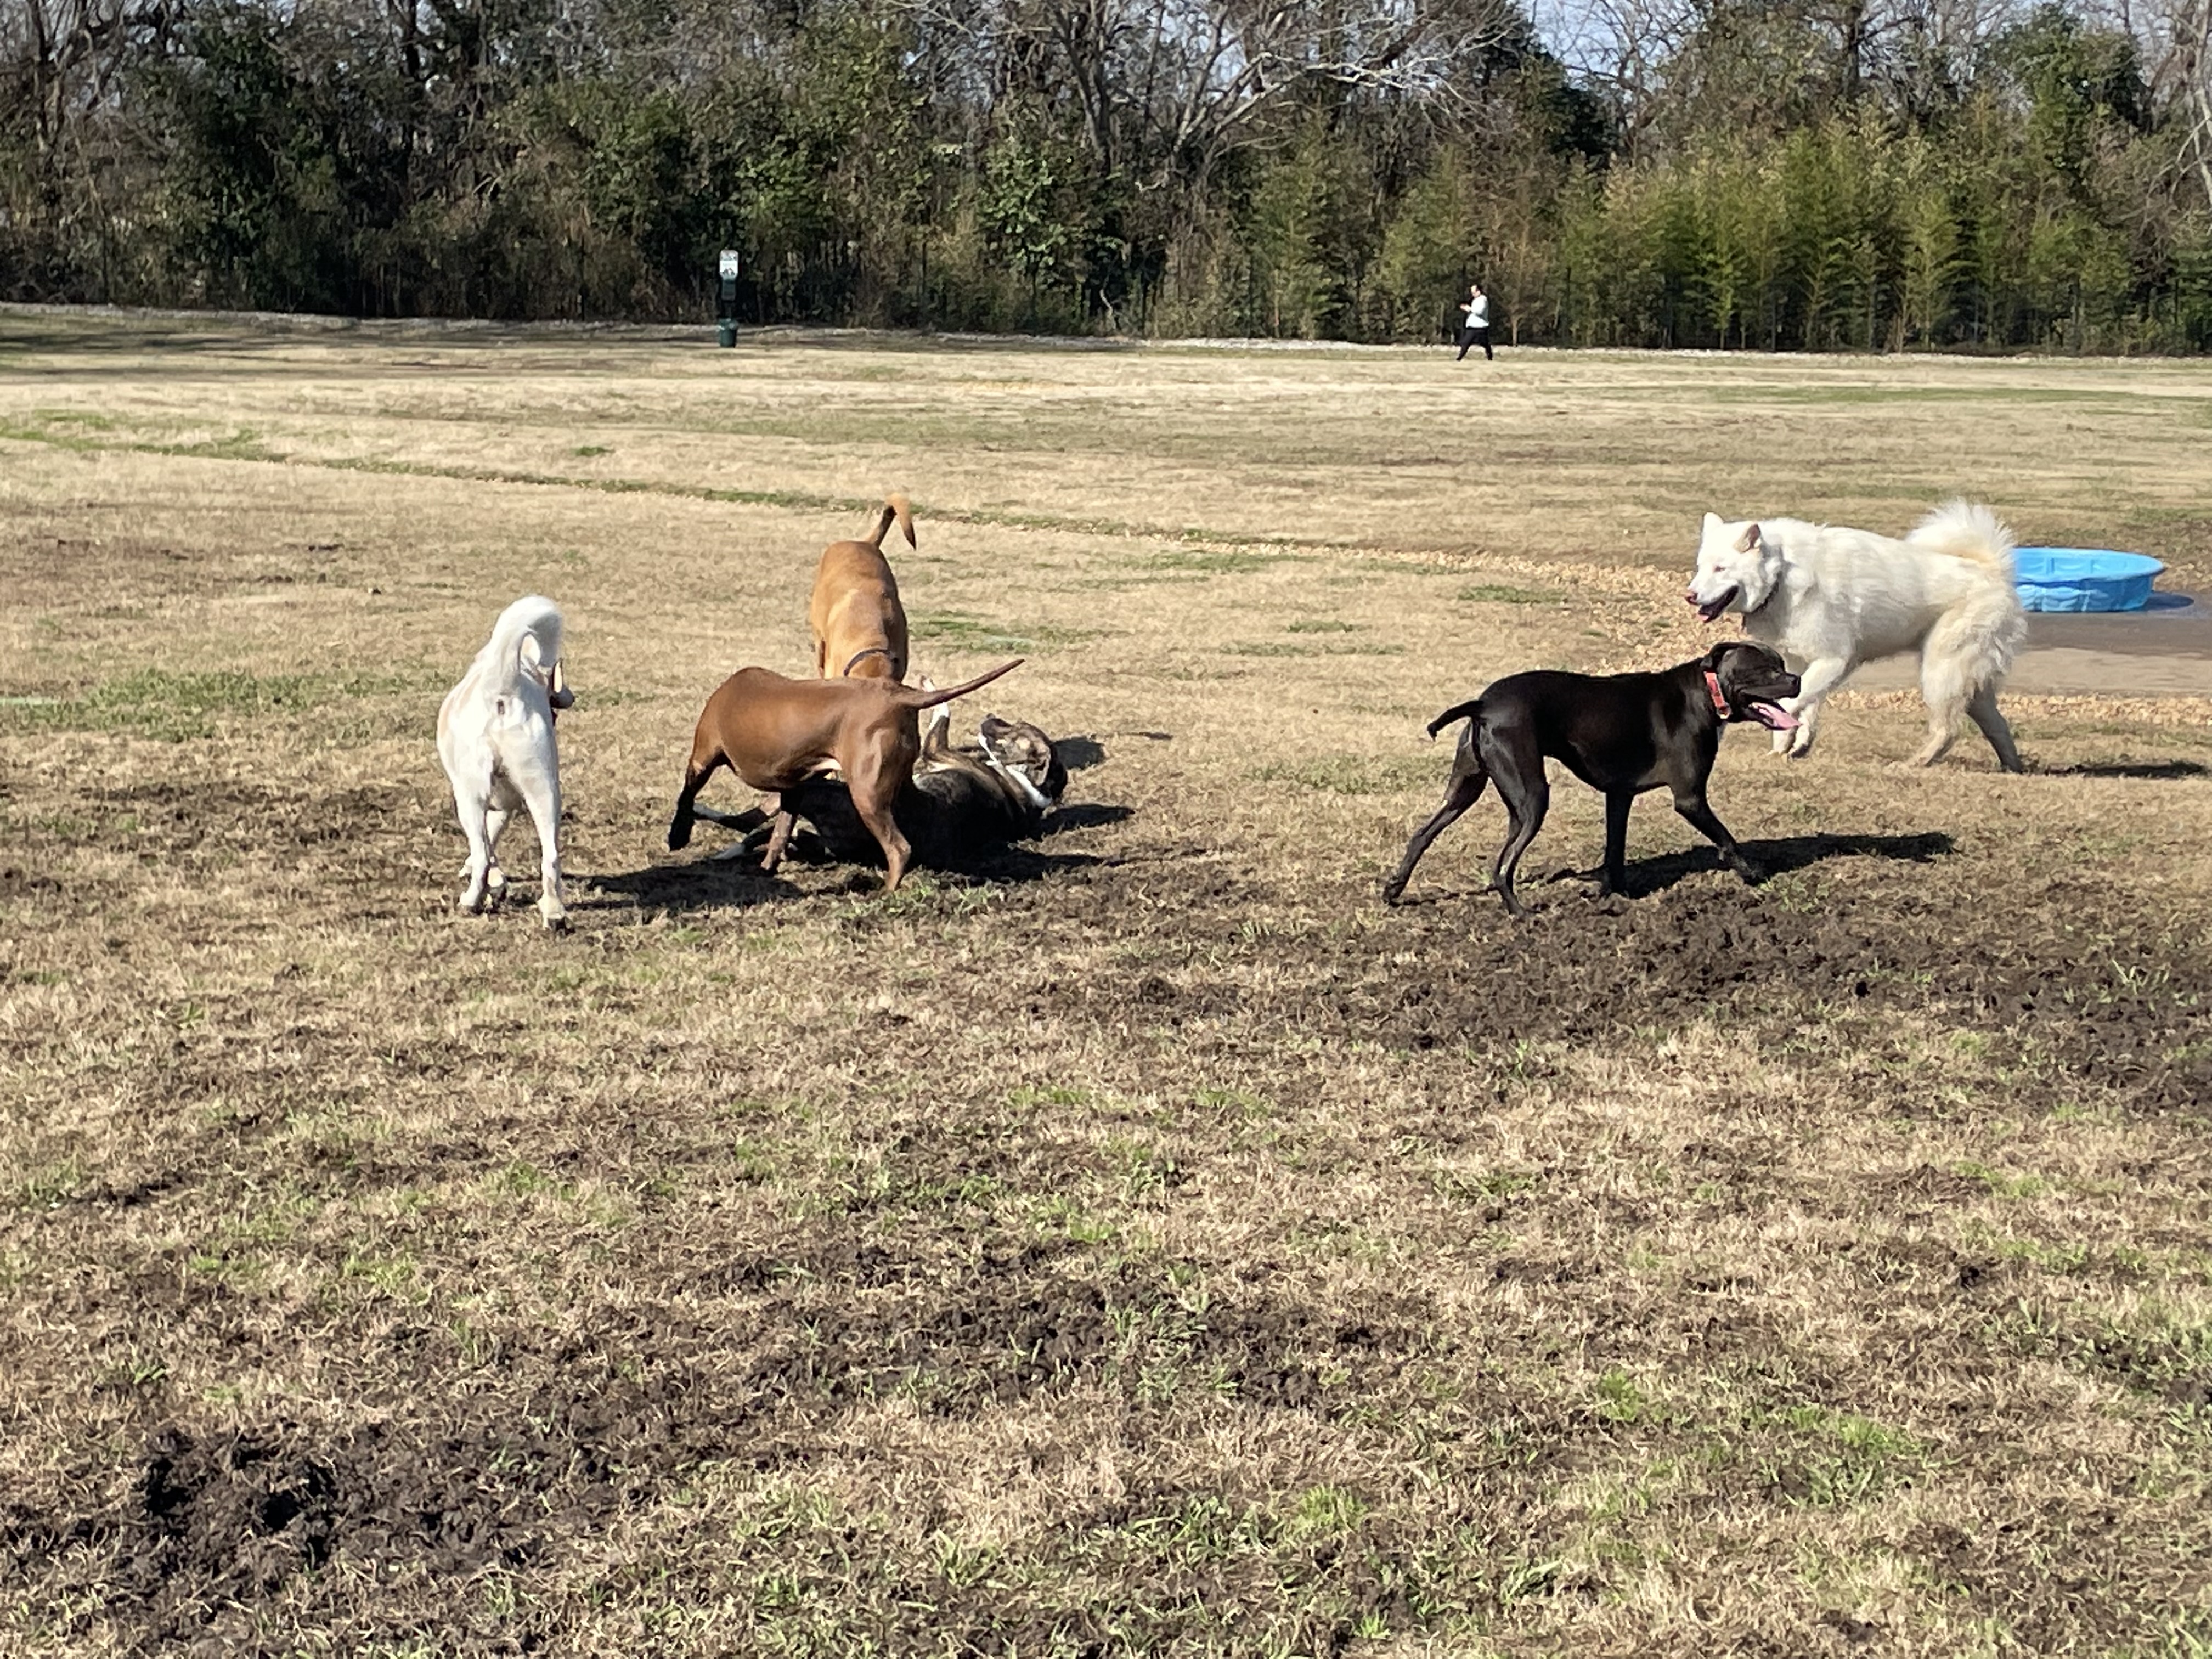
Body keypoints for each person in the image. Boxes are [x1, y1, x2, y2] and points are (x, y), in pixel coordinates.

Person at [1455, 283, 1493, 361]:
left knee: (1485, 343)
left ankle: (1490, 357)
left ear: (1479, 291)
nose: (1473, 295)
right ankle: (1459, 358)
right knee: (1466, 343)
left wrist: (1470, 309)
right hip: (1472, 327)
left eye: (1474, 293)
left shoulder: (1483, 299)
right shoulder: (1474, 300)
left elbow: (1480, 311)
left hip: (1481, 327)